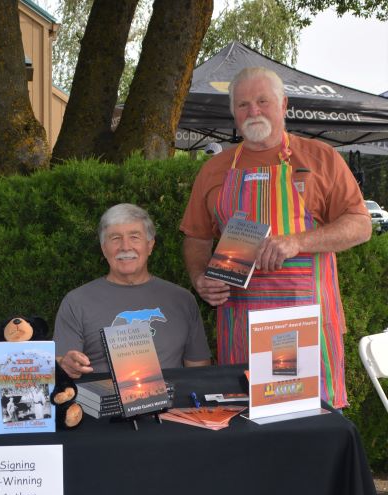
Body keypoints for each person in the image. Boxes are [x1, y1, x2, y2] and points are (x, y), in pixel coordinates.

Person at [180, 67, 372, 409]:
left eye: (262, 101)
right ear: (233, 114)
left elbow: (360, 224)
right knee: (246, 423)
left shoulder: (320, 158)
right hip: (241, 324)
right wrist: (199, 278)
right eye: (243, 105)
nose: (253, 111)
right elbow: (196, 237)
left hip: (303, 323)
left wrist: (298, 242)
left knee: (308, 426)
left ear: (283, 105)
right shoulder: (214, 168)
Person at [54, 203, 211, 378]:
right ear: (103, 248)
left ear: (150, 245)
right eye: (115, 238)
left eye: (135, 237)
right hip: (103, 403)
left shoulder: (182, 300)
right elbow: (63, 365)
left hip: (174, 404)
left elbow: (199, 371)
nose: (125, 247)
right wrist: (63, 364)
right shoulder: (76, 302)